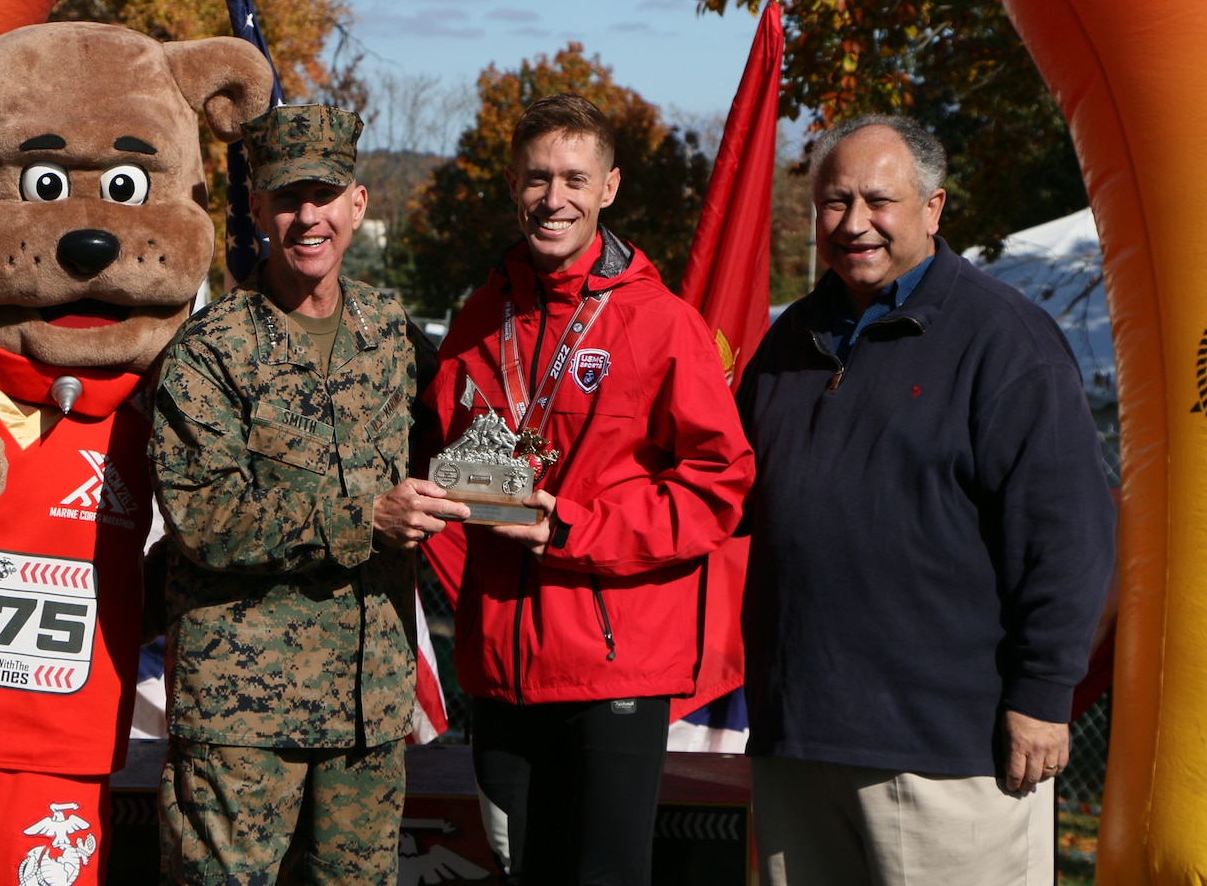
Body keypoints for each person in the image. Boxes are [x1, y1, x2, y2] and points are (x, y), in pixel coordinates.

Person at [736, 114, 1116, 885]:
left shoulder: (1006, 341)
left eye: (879, 200)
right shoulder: (787, 344)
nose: (854, 223)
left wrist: (1043, 694)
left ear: (933, 208)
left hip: (950, 755)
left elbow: (1068, 535)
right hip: (797, 741)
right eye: (835, 202)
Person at [422, 92, 756, 886]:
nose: (554, 198)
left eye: (575, 178)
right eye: (538, 178)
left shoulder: (662, 322)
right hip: (500, 664)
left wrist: (573, 528)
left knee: (601, 876)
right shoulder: (479, 316)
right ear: (512, 183)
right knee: (515, 871)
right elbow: (436, 446)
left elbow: (720, 484)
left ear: (608, 188)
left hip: (614, 663)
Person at [148, 103, 466, 884]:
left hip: (367, 705)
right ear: (256, 209)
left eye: (324, 196)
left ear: (357, 204)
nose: (307, 217)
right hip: (242, 715)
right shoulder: (209, 353)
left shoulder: (393, 334)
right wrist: (368, 517)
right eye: (288, 199)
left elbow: (469, 431)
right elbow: (204, 517)